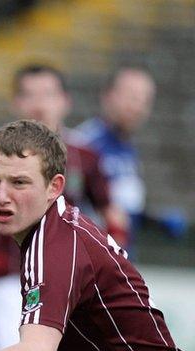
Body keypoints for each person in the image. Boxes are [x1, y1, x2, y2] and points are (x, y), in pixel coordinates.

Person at [0, 63, 130, 351]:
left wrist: (108, 265)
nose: (39, 104)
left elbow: (112, 214)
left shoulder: (84, 156)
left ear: (65, 101)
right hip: (7, 277)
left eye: (48, 94)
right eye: (29, 95)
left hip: (66, 282)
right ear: (16, 102)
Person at [0, 119, 179, 350]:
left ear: (54, 187)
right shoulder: (60, 227)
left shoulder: (53, 247)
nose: (1, 196)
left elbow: (36, 348)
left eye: (19, 182)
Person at [76, 65, 156, 252]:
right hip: (92, 258)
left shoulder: (128, 147)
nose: (138, 106)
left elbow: (123, 203)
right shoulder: (85, 144)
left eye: (145, 100)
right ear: (108, 96)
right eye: (131, 96)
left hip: (120, 256)